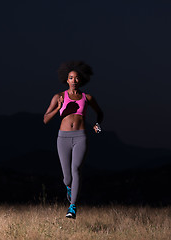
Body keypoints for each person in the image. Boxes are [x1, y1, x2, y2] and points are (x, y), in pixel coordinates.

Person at [43, 61, 104, 219]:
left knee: (76, 170)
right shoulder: (59, 96)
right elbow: (45, 119)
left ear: (80, 80)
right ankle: (70, 188)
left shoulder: (87, 98)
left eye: (77, 78)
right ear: (67, 80)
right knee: (67, 177)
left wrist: (97, 125)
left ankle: (72, 206)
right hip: (63, 138)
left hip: (80, 137)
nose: (74, 80)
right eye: (71, 78)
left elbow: (100, 113)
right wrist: (58, 108)